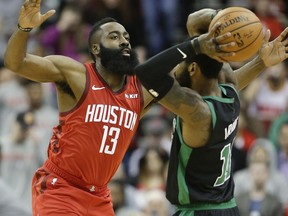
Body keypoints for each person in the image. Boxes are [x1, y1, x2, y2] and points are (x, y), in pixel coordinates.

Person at [4, 1, 233, 215]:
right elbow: (16, 63)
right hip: (61, 187)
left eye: (127, 37)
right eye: (114, 37)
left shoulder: (141, 91)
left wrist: (259, 62)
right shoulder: (76, 74)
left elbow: (211, 88)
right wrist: (24, 29)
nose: (124, 41)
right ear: (96, 48)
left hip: (100, 195)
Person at [135, 8, 288, 216]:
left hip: (199, 211)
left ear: (192, 69)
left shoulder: (197, 111)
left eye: (181, 65)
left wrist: (194, 45)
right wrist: (260, 61)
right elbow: (193, 22)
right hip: (227, 207)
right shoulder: (229, 92)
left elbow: (145, 74)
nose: (176, 68)